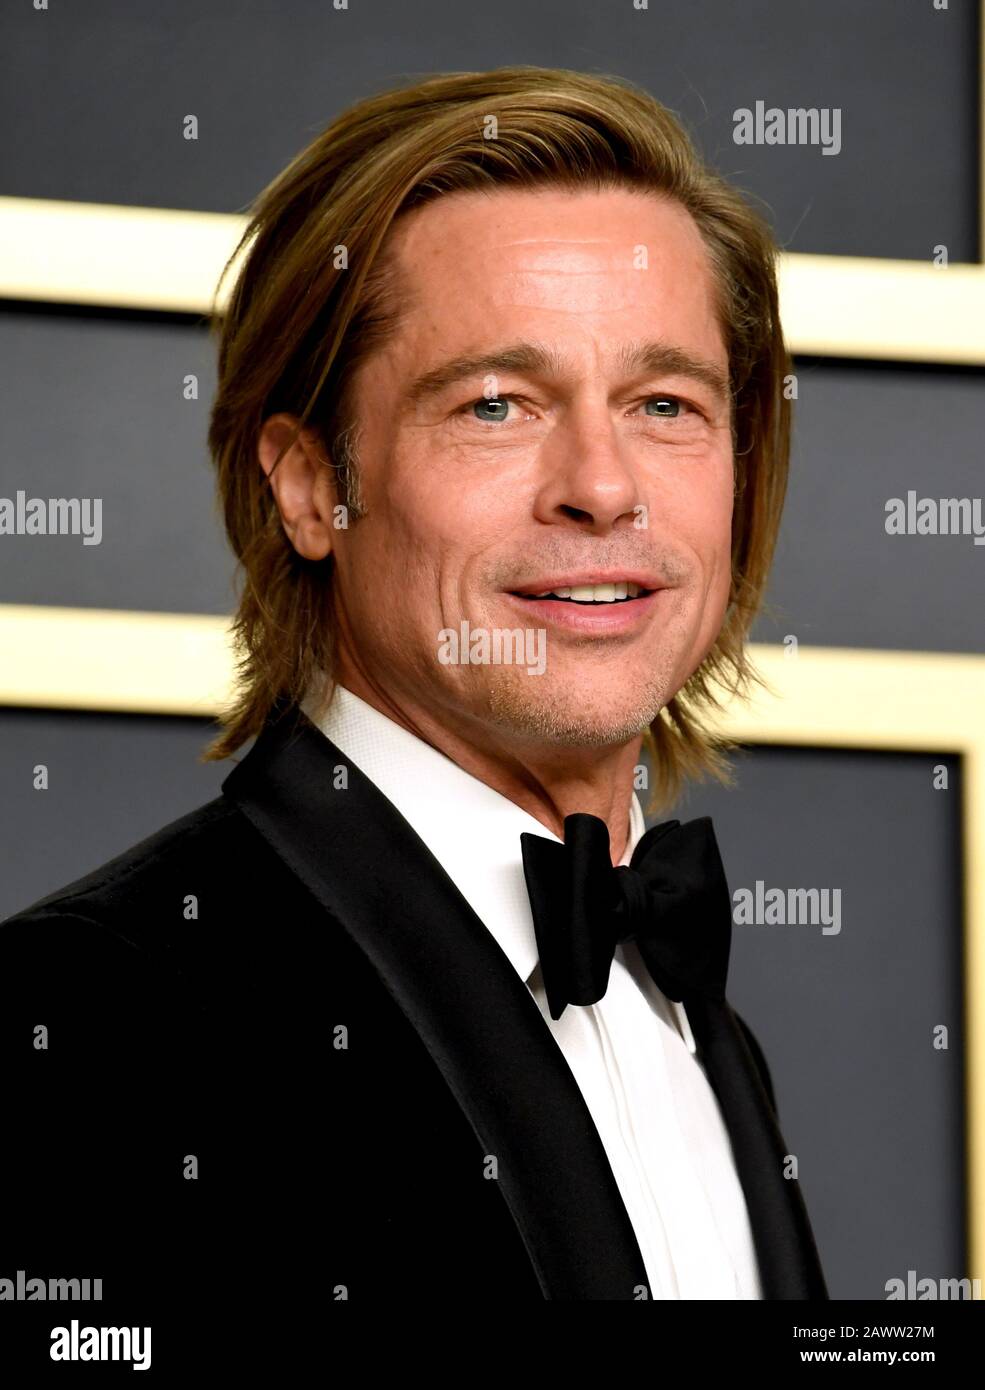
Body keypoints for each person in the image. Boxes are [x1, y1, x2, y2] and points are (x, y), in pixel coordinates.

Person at [0, 65, 827, 1324]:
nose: (602, 488)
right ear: (304, 484)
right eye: (496, 405)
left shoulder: (705, 1031)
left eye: (665, 405)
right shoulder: (95, 1015)